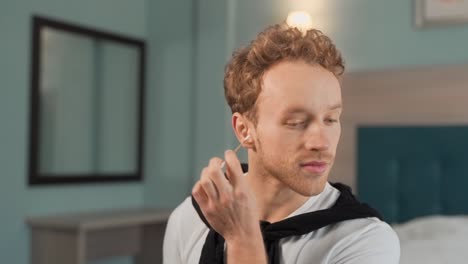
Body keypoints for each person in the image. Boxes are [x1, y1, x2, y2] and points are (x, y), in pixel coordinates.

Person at [163, 23, 400, 264]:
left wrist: (242, 239)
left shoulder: (364, 241)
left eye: (331, 119)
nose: (322, 143)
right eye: (296, 122)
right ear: (244, 130)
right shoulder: (188, 219)